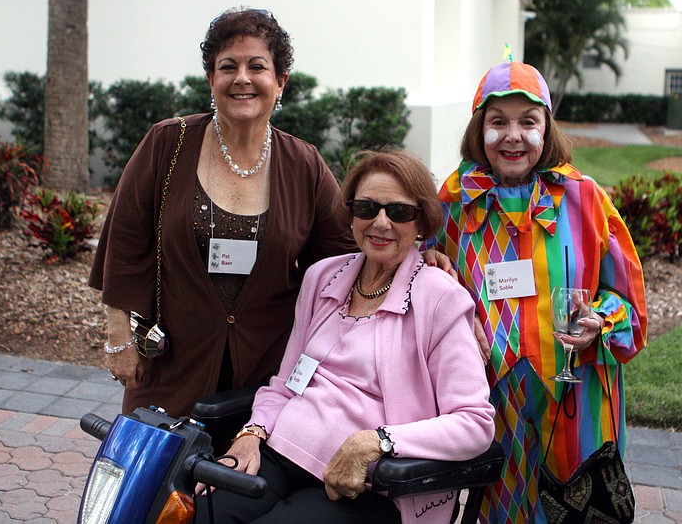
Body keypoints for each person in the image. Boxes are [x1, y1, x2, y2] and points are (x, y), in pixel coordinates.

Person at [197, 149, 495, 524]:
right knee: (204, 513)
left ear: (421, 221)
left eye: (399, 212)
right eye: (367, 208)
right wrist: (251, 432)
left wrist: (376, 441)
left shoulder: (441, 299)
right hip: (279, 450)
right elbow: (286, 383)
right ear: (351, 216)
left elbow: (474, 423)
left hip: (365, 484)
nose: (381, 223)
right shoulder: (323, 277)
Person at [89, 7, 356, 417]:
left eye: (257, 66)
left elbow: (345, 254)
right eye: (228, 66)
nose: (242, 78)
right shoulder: (168, 143)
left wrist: (418, 257)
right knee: (153, 477)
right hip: (171, 364)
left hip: (264, 376)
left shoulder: (304, 163)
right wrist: (118, 336)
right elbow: (125, 239)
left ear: (280, 82)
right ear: (212, 79)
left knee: (239, 479)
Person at [422, 61, 647, 522]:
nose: (513, 136)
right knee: (500, 509)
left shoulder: (586, 199)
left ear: (547, 128)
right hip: (489, 397)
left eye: (528, 122)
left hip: (574, 394)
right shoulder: (452, 202)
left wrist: (599, 322)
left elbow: (631, 305)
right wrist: (429, 264)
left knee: (576, 509)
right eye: (498, 122)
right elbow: (415, 272)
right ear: (478, 129)